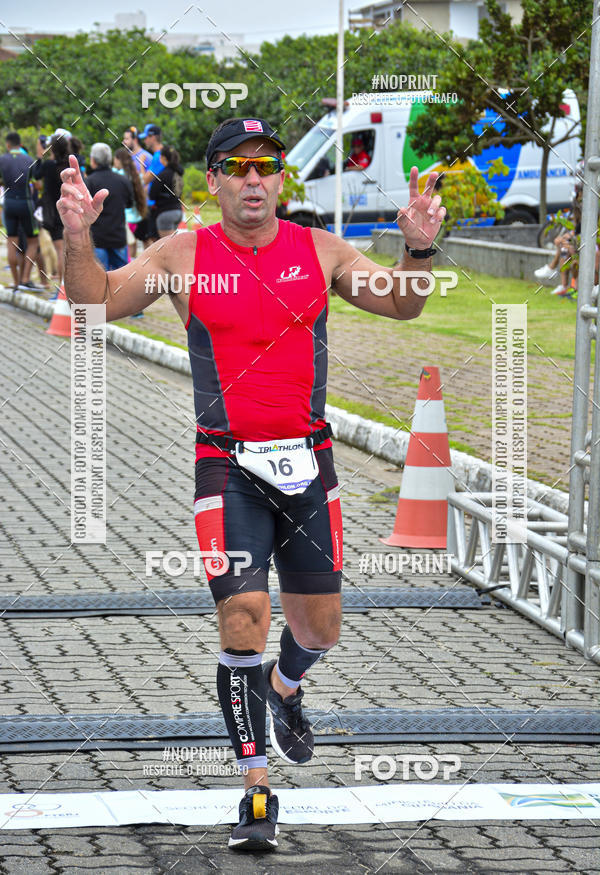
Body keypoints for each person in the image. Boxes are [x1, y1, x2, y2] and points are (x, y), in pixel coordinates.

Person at [57, 116, 445, 853]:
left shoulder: (318, 249)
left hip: (310, 463)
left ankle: (286, 686)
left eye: (267, 166)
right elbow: (92, 304)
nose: (255, 179)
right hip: (226, 463)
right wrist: (78, 234)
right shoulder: (183, 253)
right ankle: (256, 791)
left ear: (281, 179)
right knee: (243, 615)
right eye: (237, 167)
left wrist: (419, 247)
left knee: (316, 630)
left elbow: (403, 300)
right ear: (215, 182)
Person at [30, 132, 73, 282]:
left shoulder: (48, 165)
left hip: (53, 212)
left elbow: (35, 174)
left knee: (60, 250)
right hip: (69, 210)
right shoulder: (69, 165)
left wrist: (39, 157)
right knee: (68, 251)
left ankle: (61, 288)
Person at [84, 142, 133, 271]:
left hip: (98, 238)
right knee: (123, 277)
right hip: (118, 236)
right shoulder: (122, 180)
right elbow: (129, 204)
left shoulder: (89, 182)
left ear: (93, 160)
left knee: (100, 279)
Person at [0, 131, 38, 289]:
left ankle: (15, 281)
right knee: (33, 242)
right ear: (20, 144)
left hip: (9, 202)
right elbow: (36, 184)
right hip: (26, 203)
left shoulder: (2, 159)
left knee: (11, 242)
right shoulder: (29, 160)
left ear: (8, 144)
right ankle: (25, 278)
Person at [113, 147, 148, 259]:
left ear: (118, 160)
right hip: (138, 216)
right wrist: (141, 165)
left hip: (125, 217)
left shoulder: (117, 174)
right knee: (136, 247)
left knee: (128, 250)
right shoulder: (135, 175)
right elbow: (144, 181)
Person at [148, 145, 184, 237]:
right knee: (172, 242)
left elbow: (152, 194)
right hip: (178, 211)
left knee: (166, 246)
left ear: (163, 158)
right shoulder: (178, 172)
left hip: (165, 213)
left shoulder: (163, 174)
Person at [139, 123, 164, 247]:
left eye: (146, 137)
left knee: (156, 241)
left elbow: (146, 179)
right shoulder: (161, 154)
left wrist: (142, 164)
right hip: (158, 202)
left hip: (156, 205)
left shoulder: (159, 156)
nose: (144, 141)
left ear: (153, 137)